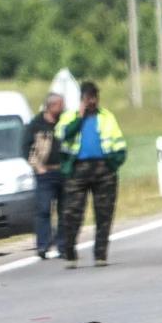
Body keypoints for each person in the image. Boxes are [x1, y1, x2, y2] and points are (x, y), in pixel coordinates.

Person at [56, 81, 127, 268]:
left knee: (104, 214)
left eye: (94, 97)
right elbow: (63, 135)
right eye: (88, 97)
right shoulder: (69, 117)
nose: (92, 101)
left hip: (103, 169)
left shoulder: (106, 117)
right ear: (81, 99)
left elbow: (119, 144)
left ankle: (100, 254)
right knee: (71, 214)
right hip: (77, 170)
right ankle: (70, 253)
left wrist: (113, 163)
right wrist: (79, 117)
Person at [25, 92, 66, 259]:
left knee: (65, 210)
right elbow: (26, 148)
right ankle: (43, 244)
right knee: (43, 210)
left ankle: (63, 245)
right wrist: (37, 167)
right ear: (51, 106)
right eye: (59, 105)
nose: (62, 108)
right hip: (45, 172)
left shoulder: (64, 121)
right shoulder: (36, 124)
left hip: (63, 171)